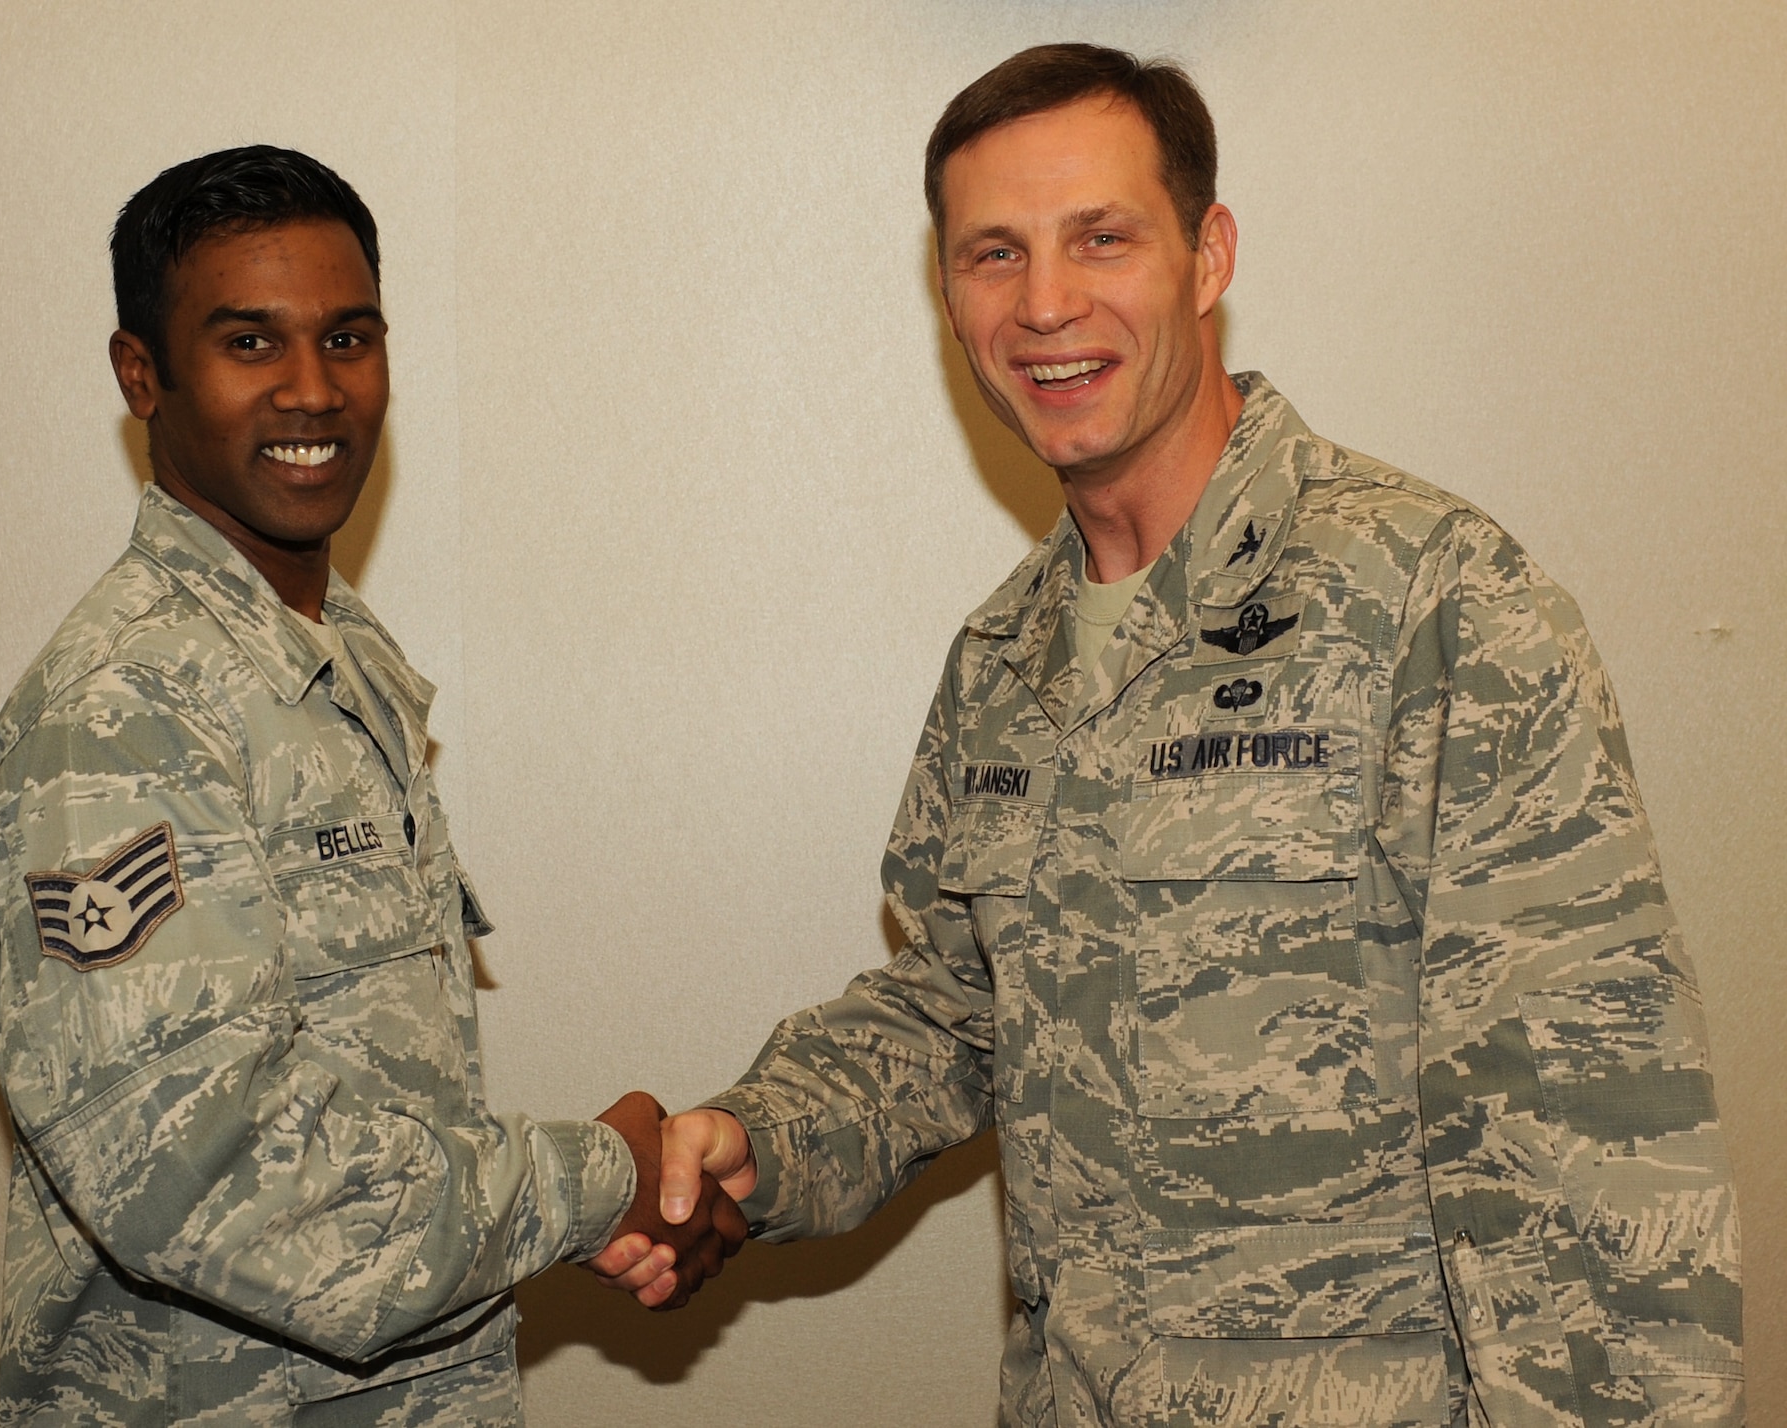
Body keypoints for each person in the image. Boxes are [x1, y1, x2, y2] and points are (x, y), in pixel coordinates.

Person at [593, 44, 1743, 1427]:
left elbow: (1590, 1149)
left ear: (1208, 257)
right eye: (993, 255)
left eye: (1101, 237)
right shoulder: (1004, 660)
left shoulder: (1432, 603)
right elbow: (962, 1010)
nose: (1046, 304)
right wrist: (757, 1141)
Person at [0, 145, 743, 1428]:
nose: (313, 390)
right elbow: (214, 1177)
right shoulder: (122, 716)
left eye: (349, 335)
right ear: (140, 374)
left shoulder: (334, 654)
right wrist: (601, 1181)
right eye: (248, 342)